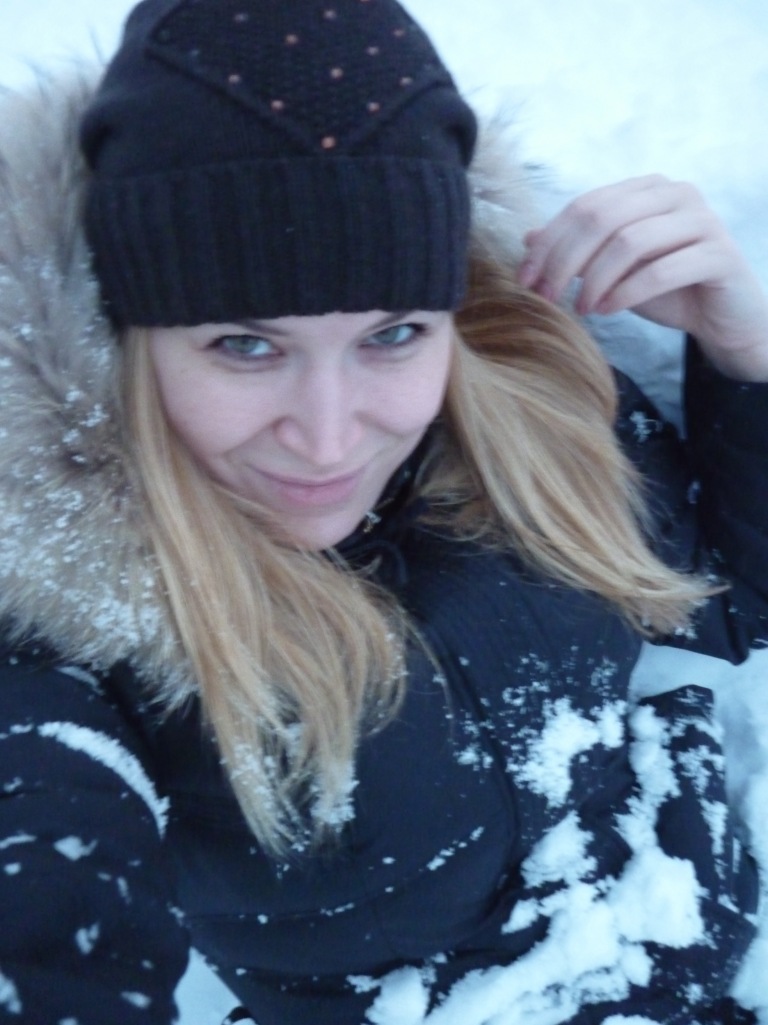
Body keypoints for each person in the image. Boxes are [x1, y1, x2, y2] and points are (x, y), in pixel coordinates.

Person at [1, 1, 767, 1023]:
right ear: (126, 338)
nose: (329, 439)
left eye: (394, 332)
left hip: (694, 927)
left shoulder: (519, 412)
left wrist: (747, 357)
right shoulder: (64, 609)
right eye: (245, 344)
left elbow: (732, 597)